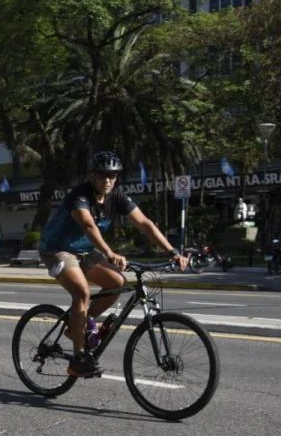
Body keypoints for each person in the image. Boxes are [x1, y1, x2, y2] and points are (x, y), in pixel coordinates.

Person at [40, 151, 186, 378]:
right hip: (57, 249)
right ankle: (78, 359)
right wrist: (109, 253)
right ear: (92, 176)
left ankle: (75, 327)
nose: (107, 180)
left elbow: (144, 223)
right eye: (102, 175)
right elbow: (88, 226)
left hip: (85, 251)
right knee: (82, 292)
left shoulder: (117, 196)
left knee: (117, 282)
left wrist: (172, 251)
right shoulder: (80, 196)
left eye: (112, 175)